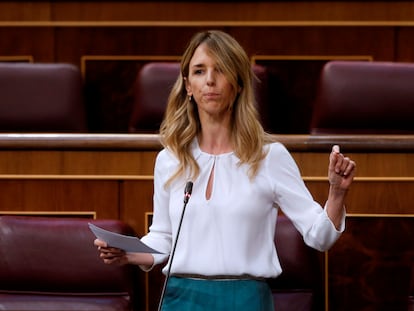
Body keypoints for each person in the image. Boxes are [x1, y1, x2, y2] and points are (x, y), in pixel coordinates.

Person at [94, 30, 356, 311]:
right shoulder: (170, 159)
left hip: (244, 299)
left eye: (220, 70)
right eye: (199, 71)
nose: (209, 80)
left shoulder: (270, 157)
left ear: (239, 83)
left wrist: (337, 193)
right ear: (187, 85)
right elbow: (164, 238)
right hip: (180, 298)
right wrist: (128, 253)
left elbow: (320, 237)